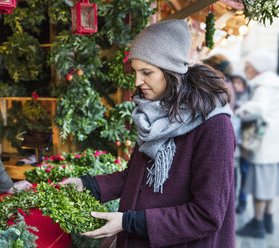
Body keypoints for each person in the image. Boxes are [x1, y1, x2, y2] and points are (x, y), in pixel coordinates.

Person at [60, 20, 236, 248]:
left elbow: (206, 215)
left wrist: (128, 222)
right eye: (135, 71)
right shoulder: (155, 115)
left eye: (147, 72)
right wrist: (87, 185)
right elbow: (135, 176)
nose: (137, 81)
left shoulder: (215, 126)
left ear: (171, 71)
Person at [235, 50, 279, 238]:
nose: (246, 72)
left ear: (257, 69)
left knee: (261, 183)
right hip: (272, 142)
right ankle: (268, 219)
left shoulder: (263, 87)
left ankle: (258, 223)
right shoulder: (272, 83)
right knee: (269, 183)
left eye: (248, 68)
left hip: (264, 142)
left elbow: (259, 109)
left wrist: (240, 110)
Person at [231, 74, 251, 214]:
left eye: (240, 82)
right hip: (235, 143)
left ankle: (243, 201)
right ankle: (233, 200)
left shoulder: (250, 98)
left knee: (245, 172)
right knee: (233, 173)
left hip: (246, 142)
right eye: (235, 82)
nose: (237, 85)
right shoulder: (231, 97)